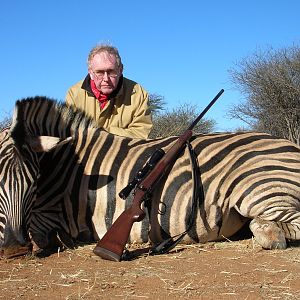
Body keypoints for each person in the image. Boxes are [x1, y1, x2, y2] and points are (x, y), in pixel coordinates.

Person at [65, 44, 152, 139]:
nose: (106, 78)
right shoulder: (74, 94)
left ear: (120, 70)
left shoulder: (139, 94)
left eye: (111, 72)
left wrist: (101, 132)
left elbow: (141, 133)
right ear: (90, 72)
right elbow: (70, 132)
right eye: (99, 72)